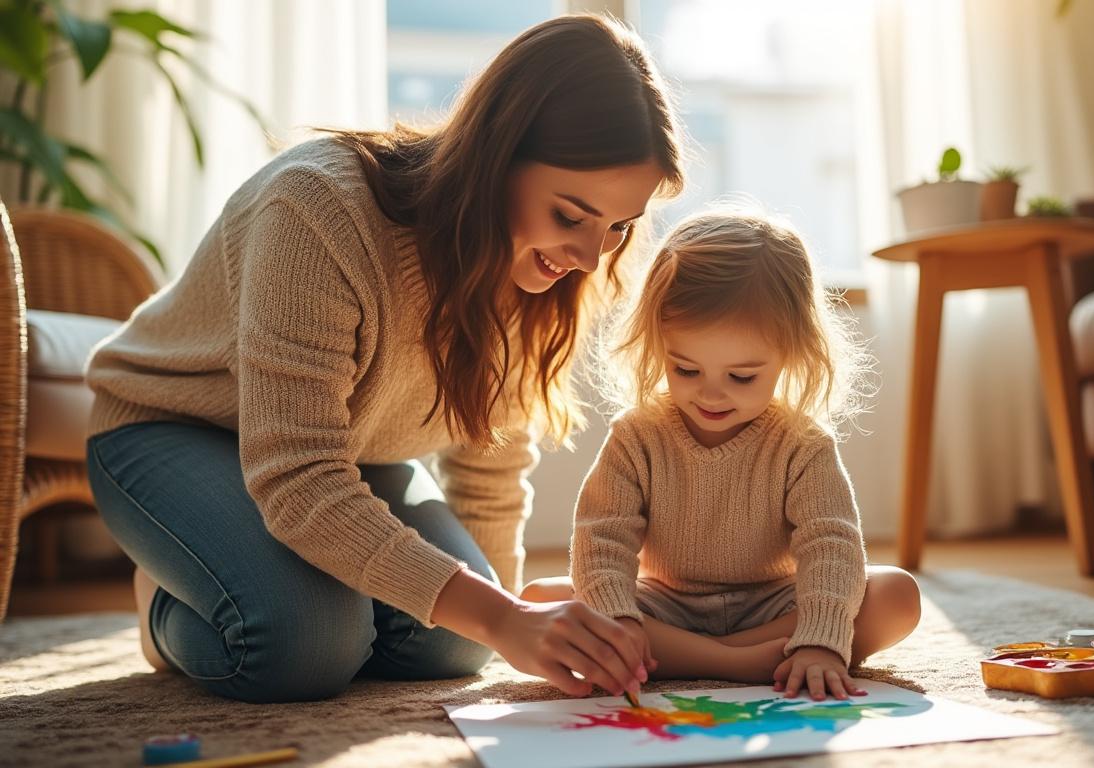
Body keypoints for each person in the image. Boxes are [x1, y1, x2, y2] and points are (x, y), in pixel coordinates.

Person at [84, 14, 683, 704]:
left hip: (349, 454)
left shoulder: (545, 270)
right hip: (169, 429)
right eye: (571, 216)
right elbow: (298, 476)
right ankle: (166, 604)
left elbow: (489, 461)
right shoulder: (317, 209)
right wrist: (502, 615)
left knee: (455, 644)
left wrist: (505, 622)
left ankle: (270, 581)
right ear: (495, 156)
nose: (588, 257)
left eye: (617, 227)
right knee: (308, 644)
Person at [521, 210, 922, 702]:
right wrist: (620, 621)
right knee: (539, 600)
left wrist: (821, 641)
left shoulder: (803, 443)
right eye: (686, 370)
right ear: (658, 345)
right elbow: (602, 536)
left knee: (896, 595)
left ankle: (696, 657)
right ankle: (745, 661)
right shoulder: (636, 435)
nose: (711, 395)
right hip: (665, 604)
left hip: (773, 604)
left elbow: (831, 543)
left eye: (741, 377)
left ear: (792, 353)